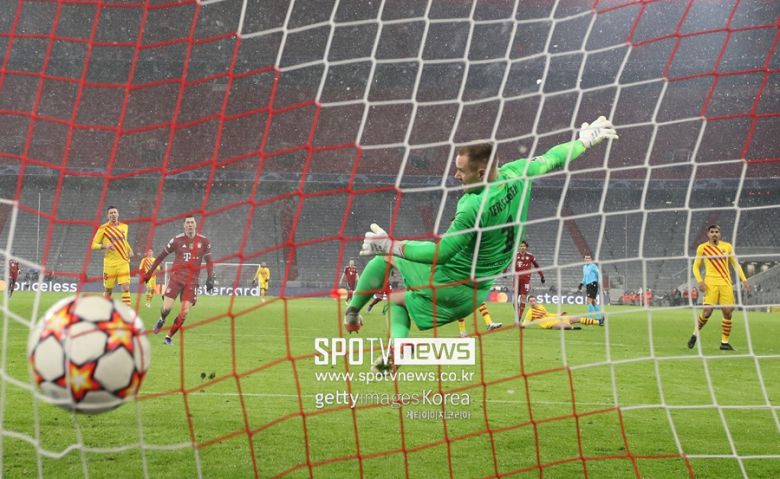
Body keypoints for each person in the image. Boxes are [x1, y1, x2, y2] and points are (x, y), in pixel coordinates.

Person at [344, 116, 617, 371]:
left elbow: (441, 253)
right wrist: (584, 141)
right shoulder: (518, 173)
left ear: (482, 172)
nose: (456, 176)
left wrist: (390, 246)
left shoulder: (472, 206)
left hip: (447, 283)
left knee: (384, 258)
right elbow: (553, 157)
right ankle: (398, 349)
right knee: (396, 301)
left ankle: (352, 313)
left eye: (461, 171)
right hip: (475, 295)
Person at [141, 216, 215, 346]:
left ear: (195, 225)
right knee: (166, 309)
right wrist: (149, 272)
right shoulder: (176, 240)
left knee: (184, 312)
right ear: (184, 225)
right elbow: (161, 256)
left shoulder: (204, 241)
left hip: (192, 281)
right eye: (188, 223)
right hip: (176, 278)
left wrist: (210, 278)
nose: (190, 225)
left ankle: (168, 337)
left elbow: (209, 261)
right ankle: (161, 319)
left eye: (192, 222)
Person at [687, 224, 750, 351]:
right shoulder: (702, 248)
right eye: (712, 232)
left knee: (727, 312)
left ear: (719, 234)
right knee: (707, 312)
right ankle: (695, 334)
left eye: (716, 232)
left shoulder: (727, 247)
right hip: (710, 284)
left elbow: (735, 264)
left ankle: (724, 342)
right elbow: (695, 266)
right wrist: (700, 281)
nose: (714, 234)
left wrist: (744, 279)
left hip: (726, 283)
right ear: (708, 234)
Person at [91, 206, 134, 306]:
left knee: (126, 287)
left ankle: (126, 311)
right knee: (108, 290)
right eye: (111, 213)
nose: (113, 214)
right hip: (109, 263)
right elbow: (93, 245)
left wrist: (130, 249)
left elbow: (124, 241)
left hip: (123, 261)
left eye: (115, 212)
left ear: (118, 214)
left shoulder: (125, 226)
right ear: (108, 216)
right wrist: (105, 246)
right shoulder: (103, 228)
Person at [518, 296, 599, 329]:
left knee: (577, 318)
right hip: (549, 324)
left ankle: (598, 322)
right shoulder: (530, 312)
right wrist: (521, 325)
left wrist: (559, 314)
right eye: (531, 301)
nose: (532, 302)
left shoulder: (541, 306)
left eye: (533, 300)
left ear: (536, 301)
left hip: (555, 319)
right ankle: (572, 327)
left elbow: (548, 314)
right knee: (565, 326)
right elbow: (525, 322)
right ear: (529, 302)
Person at [513, 240, 545, 323]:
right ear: (519, 247)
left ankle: (519, 318)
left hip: (525, 280)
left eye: (524, 246)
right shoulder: (515, 255)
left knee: (523, 297)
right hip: (516, 279)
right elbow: (508, 263)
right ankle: (517, 314)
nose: (522, 247)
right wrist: (504, 272)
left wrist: (542, 276)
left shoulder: (530, 256)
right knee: (514, 300)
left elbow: (537, 266)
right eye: (521, 246)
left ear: (526, 247)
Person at [577, 254, 604, 325]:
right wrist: (581, 284)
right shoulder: (584, 267)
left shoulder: (593, 266)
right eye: (586, 258)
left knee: (588, 301)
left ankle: (590, 318)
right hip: (588, 285)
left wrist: (599, 282)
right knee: (593, 302)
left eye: (589, 258)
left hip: (593, 284)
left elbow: (599, 274)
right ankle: (600, 318)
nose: (587, 259)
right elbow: (585, 277)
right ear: (584, 259)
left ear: (591, 259)